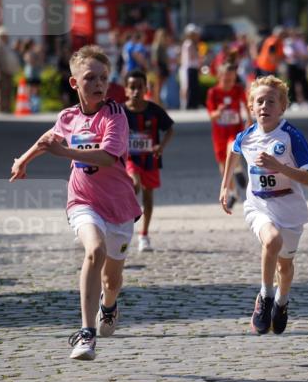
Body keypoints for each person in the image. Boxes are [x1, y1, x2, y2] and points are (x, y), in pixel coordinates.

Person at [10, 45, 142, 361]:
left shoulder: (116, 115)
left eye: (103, 78)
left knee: (112, 280)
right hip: (83, 201)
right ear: (74, 83)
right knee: (93, 250)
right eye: (90, 78)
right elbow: (50, 139)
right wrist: (24, 159)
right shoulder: (67, 117)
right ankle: (86, 333)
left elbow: (109, 158)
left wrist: (67, 153)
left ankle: (109, 306)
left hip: (119, 206)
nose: (98, 84)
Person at [220, 75, 308, 335]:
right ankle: (265, 297)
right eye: (259, 102)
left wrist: (279, 167)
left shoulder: (291, 137)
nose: (264, 107)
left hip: (290, 208)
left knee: (285, 267)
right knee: (271, 240)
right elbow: (233, 150)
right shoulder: (247, 136)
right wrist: (225, 184)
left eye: (271, 102)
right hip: (258, 205)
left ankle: (282, 302)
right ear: (251, 107)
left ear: (282, 107)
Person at [124, 69, 175, 252]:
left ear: (146, 88)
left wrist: (161, 147)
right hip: (129, 158)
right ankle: (124, 221)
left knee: (148, 197)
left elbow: (170, 129)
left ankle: (144, 235)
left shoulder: (154, 110)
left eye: (140, 87)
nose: (136, 91)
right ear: (126, 90)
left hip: (151, 159)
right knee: (134, 184)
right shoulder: (120, 112)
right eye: (132, 87)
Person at [206, 62, 250, 208]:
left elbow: (247, 105)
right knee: (223, 165)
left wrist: (249, 119)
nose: (229, 83)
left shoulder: (238, 90)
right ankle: (233, 192)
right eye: (226, 80)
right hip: (219, 133)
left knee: (232, 150)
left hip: (234, 130)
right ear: (219, 77)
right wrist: (219, 111)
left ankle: (237, 169)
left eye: (231, 80)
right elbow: (211, 116)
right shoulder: (213, 92)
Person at [0, 26, 20, 113]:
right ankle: (1, 109)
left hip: (7, 71)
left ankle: (7, 108)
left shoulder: (5, 45)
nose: (6, 37)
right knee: (1, 91)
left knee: (8, 90)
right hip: (1, 72)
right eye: (5, 35)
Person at [180, 24, 201, 109]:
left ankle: (194, 103)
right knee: (191, 87)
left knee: (194, 86)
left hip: (193, 67)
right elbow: (192, 56)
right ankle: (190, 104)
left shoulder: (191, 43)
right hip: (190, 67)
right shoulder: (189, 43)